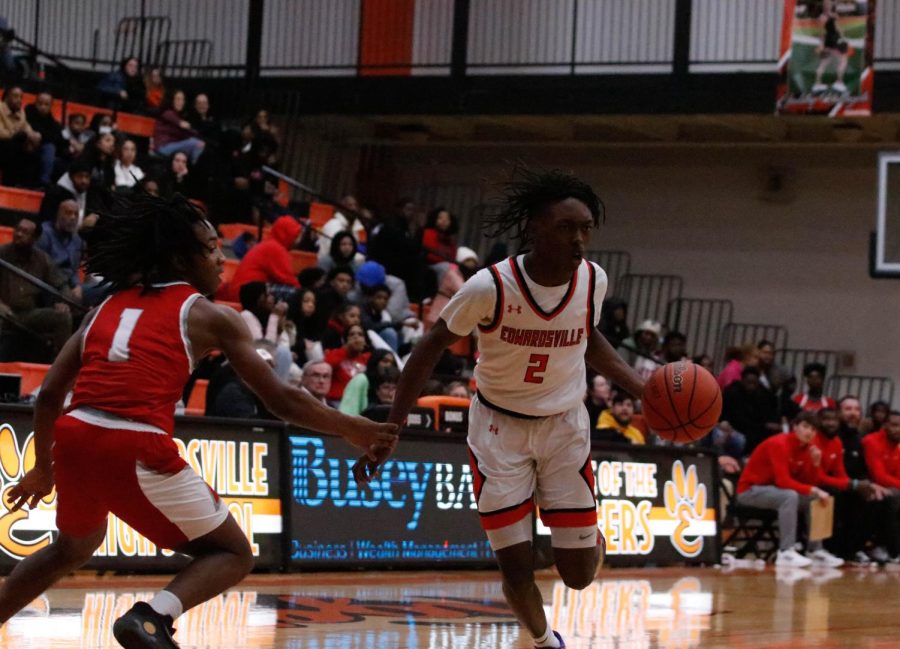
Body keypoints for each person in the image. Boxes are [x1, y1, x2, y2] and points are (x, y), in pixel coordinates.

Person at [0, 192, 397, 645]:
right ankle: (151, 617)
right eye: (210, 249)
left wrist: (42, 471)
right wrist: (352, 426)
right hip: (134, 441)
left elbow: (50, 393)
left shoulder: (101, 310)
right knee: (232, 552)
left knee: (71, 547)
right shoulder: (207, 314)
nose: (221, 259)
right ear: (179, 258)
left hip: (75, 434)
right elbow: (282, 401)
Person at [353, 168, 644, 649]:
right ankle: (542, 639)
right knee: (516, 564)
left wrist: (640, 385)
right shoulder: (489, 287)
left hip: (564, 428)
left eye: (586, 229)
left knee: (577, 577)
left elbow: (587, 336)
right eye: (566, 228)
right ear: (534, 228)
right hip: (497, 431)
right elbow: (429, 348)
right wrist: (393, 427)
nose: (579, 241)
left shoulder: (593, 280)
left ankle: (591, 539)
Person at [736, 411, 840, 567]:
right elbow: (783, 481)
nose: (809, 432)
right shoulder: (779, 444)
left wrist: (816, 464)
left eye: (813, 429)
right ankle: (786, 552)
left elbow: (809, 482)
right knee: (790, 495)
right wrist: (814, 489)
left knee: (816, 499)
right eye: (805, 427)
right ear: (795, 427)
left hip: (775, 492)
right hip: (750, 491)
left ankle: (815, 550)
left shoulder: (808, 449)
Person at [862, 411, 900, 563]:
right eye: (894, 425)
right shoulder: (871, 441)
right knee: (894, 498)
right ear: (884, 426)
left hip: (889, 487)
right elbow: (879, 476)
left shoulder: (897, 445)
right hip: (869, 486)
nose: (898, 429)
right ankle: (891, 548)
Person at [36, 199, 84, 303]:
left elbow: (74, 269)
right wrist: (64, 287)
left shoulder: (77, 240)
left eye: (76, 214)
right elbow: (40, 267)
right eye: (68, 213)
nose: (73, 217)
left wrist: (77, 286)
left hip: (69, 283)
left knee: (103, 289)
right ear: (58, 214)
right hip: (49, 284)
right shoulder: (44, 233)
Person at [338, 349, 398, 416]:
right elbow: (347, 412)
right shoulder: (361, 379)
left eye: (392, 363)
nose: (388, 365)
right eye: (385, 361)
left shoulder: (392, 384)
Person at [152, 89, 204, 164]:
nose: (181, 102)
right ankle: (194, 170)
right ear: (172, 100)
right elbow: (183, 125)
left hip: (171, 146)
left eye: (182, 99)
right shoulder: (168, 113)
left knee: (195, 143)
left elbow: (185, 133)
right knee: (198, 143)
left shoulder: (177, 114)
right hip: (163, 147)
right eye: (178, 99)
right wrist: (195, 133)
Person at [812, 0, 849, 94]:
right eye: (828, 4)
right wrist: (843, 37)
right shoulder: (830, 16)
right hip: (835, 41)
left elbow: (822, 32)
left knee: (824, 62)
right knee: (843, 61)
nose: (828, 5)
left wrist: (822, 45)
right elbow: (835, 29)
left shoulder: (824, 17)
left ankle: (817, 84)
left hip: (830, 41)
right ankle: (839, 82)